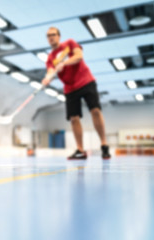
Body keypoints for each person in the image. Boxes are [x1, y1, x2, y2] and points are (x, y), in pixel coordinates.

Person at [41, 27, 111, 160]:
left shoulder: (70, 43)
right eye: (48, 36)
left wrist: (64, 63)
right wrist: (47, 78)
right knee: (74, 118)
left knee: (95, 110)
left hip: (86, 81)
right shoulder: (50, 58)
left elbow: (79, 56)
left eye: (53, 34)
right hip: (70, 88)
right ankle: (80, 150)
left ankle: (104, 145)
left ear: (59, 36)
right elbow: (50, 71)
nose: (51, 37)